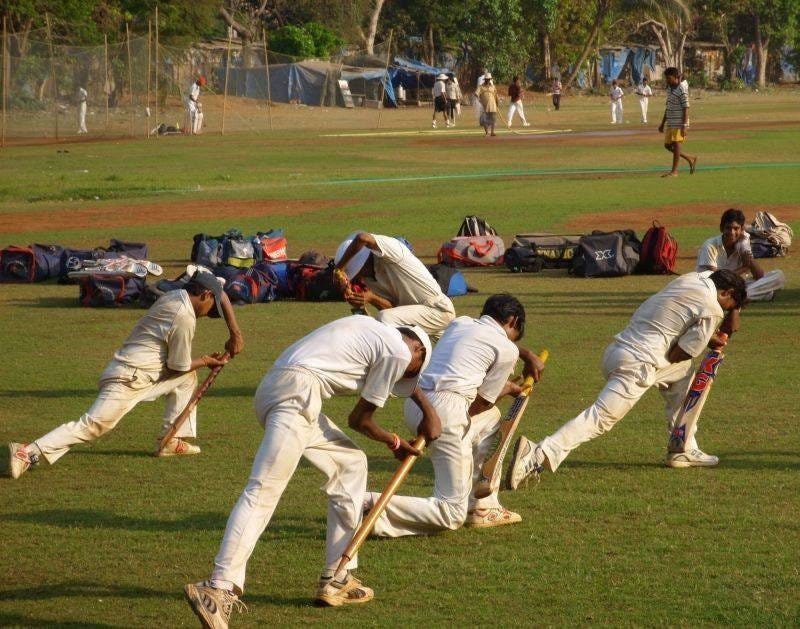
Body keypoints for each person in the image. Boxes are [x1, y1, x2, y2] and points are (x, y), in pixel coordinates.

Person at [183, 317, 441, 625]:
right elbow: (360, 420)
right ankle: (217, 587)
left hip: (279, 388)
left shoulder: (372, 329)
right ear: (417, 349)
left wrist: (428, 409)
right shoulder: (398, 352)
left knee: (351, 464)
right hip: (299, 394)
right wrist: (395, 442)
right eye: (410, 371)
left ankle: (337, 577)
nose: (401, 376)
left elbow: (404, 374)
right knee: (263, 491)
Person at [506, 269, 747, 490]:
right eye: (728, 305)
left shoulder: (694, 277)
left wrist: (727, 315)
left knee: (682, 374)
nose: (725, 311)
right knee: (600, 418)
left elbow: (679, 352)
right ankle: (537, 455)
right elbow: (678, 353)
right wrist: (728, 318)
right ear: (726, 293)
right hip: (639, 364)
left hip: (616, 351)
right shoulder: (712, 308)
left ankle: (682, 446)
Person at [5, 266, 245, 480]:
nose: (210, 313)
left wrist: (235, 333)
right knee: (93, 426)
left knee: (185, 380)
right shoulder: (183, 317)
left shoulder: (176, 295)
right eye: (211, 307)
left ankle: (170, 440)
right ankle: (26, 451)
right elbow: (177, 366)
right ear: (204, 295)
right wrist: (206, 360)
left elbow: (220, 293)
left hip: (144, 374)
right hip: (129, 378)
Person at [366, 294, 546, 538]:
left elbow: (483, 404)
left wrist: (526, 355)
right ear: (513, 320)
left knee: (492, 419)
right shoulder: (506, 349)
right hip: (447, 410)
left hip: (415, 402)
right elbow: (480, 403)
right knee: (451, 513)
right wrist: (510, 389)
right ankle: (368, 504)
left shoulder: (460, 323)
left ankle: (482, 505)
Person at [333, 231, 456, 341]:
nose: (355, 277)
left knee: (384, 319)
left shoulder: (393, 251)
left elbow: (362, 238)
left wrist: (339, 268)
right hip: (420, 315)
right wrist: (371, 298)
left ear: (362, 263)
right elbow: (394, 309)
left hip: (438, 309)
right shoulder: (369, 279)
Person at [697, 208, 785, 302]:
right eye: (728, 228)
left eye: (736, 228)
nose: (732, 233)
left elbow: (759, 276)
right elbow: (718, 279)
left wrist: (745, 247)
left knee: (778, 276)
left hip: (733, 288)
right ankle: (746, 296)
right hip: (711, 287)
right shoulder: (710, 245)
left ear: (742, 229)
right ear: (722, 228)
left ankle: (737, 298)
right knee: (767, 292)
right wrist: (744, 268)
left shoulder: (741, 245)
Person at [658, 66, 697, 177]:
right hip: (671, 122)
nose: (667, 81)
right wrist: (662, 123)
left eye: (669, 78)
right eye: (666, 78)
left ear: (676, 78)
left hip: (679, 123)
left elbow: (686, 108)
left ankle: (674, 172)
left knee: (676, 144)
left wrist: (684, 125)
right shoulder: (669, 89)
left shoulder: (681, 90)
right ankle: (690, 158)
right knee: (667, 146)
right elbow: (668, 107)